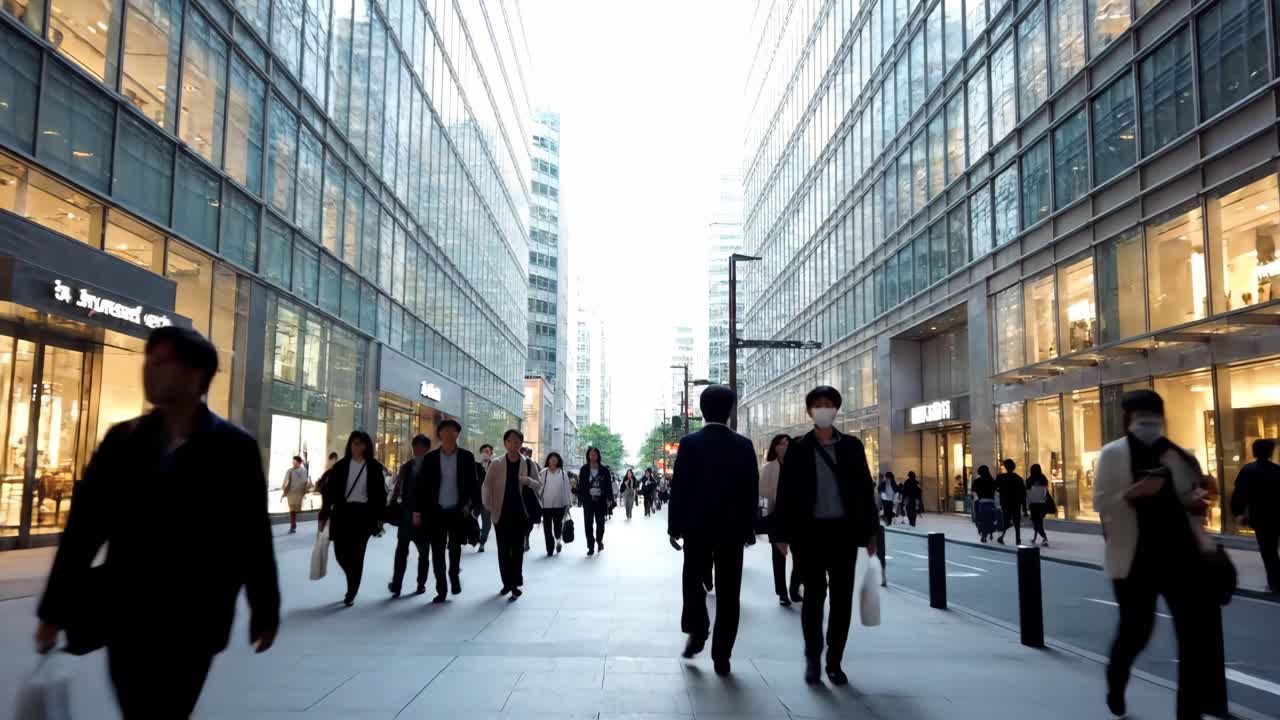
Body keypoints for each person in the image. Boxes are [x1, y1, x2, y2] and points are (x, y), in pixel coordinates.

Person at [34, 326, 279, 718]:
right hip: (127, 615)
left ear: (196, 375)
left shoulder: (234, 449)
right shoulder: (124, 441)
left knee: (168, 709)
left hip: (195, 619)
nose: (149, 370)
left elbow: (251, 535)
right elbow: (84, 530)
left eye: (162, 362)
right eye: (148, 360)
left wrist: (265, 609)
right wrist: (52, 611)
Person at [1094, 389, 1228, 720]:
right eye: (1142, 418)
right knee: (1136, 631)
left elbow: (1193, 496)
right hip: (1134, 559)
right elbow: (1101, 503)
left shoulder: (1178, 455)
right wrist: (1132, 493)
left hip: (1182, 558)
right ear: (1128, 421)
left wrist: (1197, 499)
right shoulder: (1113, 454)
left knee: (1195, 638)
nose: (1149, 424)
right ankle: (1117, 679)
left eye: (1154, 418)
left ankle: (1189, 713)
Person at [773, 386, 879, 686]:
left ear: (836, 409)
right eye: (818, 404)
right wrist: (781, 534)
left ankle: (834, 660)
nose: (823, 409)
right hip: (809, 534)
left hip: (844, 533)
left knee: (842, 600)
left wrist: (871, 532)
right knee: (814, 598)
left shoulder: (852, 447)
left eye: (829, 404)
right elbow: (786, 493)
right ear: (809, 411)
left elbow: (863, 491)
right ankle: (812, 657)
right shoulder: (799, 447)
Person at [667, 384, 758, 676]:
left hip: (697, 527)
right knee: (730, 592)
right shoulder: (744, 445)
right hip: (731, 529)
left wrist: (674, 526)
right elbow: (750, 492)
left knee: (692, 582)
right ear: (730, 410)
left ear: (703, 411)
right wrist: (748, 528)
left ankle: (698, 628)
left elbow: (678, 487)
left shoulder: (690, 443)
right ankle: (722, 654)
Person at [413, 419, 479, 602]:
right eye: (445, 430)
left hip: (457, 511)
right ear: (440, 434)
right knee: (437, 550)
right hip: (436, 511)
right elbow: (422, 487)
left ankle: (454, 575)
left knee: (455, 547)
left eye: (453, 430)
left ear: (457, 434)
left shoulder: (466, 457)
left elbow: (473, 485)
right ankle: (441, 588)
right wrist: (418, 511)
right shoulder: (431, 458)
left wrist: (469, 505)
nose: (449, 434)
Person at [320, 430, 387, 606]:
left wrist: (380, 518)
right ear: (350, 445)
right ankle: (352, 578)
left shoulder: (374, 466)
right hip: (342, 513)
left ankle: (352, 589)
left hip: (363, 515)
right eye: (354, 443)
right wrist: (324, 514)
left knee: (357, 555)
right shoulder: (341, 466)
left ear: (366, 446)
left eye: (361, 443)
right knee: (340, 553)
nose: (357, 446)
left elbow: (380, 495)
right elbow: (330, 493)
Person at [482, 429, 542, 597]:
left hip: (521, 513)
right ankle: (506, 583)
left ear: (521, 444)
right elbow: (486, 485)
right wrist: (487, 503)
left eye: (517, 441)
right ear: (505, 443)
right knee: (503, 550)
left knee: (517, 550)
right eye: (510, 441)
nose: (513, 444)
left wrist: (528, 481)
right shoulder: (496, 463)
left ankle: (515, 583)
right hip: (500, 512)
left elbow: (538, 485)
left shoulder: (528, 463)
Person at [1231, 439, 1280, 593]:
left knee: (1268, 550)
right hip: (1277, 515)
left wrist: (1238, 512)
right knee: (1272, 548)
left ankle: (1275, 583)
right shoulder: (1277, 470)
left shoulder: (1248, 470)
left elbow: (1239, 494)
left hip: (1260, 517)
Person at [760, 433, 802, 606]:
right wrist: (764, 518)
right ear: (774, 447)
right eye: (780, 444)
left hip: (797, 518)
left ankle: (794, 587)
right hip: (777, 518)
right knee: (778, 558)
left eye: (787, 443)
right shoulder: (768, 468)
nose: (784, 446)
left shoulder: (799, 466)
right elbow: (762, 496)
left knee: (800, 557)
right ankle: (782, 592)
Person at [389, 435, 431, 597]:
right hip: (407, 517)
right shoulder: (407, 466)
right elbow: (398, 487)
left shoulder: (432, 467)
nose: (418, 450)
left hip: (423, 517)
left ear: (427, 449)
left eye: (421, 447)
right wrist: (392, 504)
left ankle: (421, 583)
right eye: (416, 447)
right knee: (402, 552)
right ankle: (397, 585)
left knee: (423, 553)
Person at [577, 447, 615, 555]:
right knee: (588, 523)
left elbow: (608, 486)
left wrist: (610, 499)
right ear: (588, 456)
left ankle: (599, 540)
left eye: (595, 454)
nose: (593, 456)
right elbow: (581, 485)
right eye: (591, 454)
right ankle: (590, 546)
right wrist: (581, 498)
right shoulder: (584, 469)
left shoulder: (604, 470)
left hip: (601, 500)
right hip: (588, 501)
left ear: (598, 456)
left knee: (600, 523)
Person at [539, 452, 572, 556]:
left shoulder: (563, 473)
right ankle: (549, 548)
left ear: (558, 461)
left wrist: (568, 504)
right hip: (546, 505)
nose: (553, 461)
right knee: (547, 528)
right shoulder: (543, 473)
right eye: (551, 459)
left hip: (559, 505)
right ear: (548, 460)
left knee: (558, 527)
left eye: (555, 459)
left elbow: (567, 489)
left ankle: (558, 541)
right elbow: (540, 487)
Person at [995, 459, 1026, 545]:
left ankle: (1002, 537)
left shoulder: (1001, 477)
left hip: (1005, 502)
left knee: (1006, 520)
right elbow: (1023, 494)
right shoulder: (1018, 478)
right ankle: (1018, 539)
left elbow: (996, 487)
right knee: (1017, 521)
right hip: (1016, 502)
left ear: (1005, 467)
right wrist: (1024, 508)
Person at [474, 444, 495, 552]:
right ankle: (476, 535)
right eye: (483, 451)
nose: (485, 453)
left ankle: (482, 542)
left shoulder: (495, 466)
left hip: (488, 499)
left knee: (486, 522)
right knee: (472, 518)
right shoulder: (475, 465)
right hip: (476, 499)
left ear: (491, 454)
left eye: (487, 451)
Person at [282, 455, 310, 533]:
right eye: (293, 462)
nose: (293, 463)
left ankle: (293, 526)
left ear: (299, 463)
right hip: (291, 493)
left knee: (294, 510)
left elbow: (305, 482)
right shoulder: (290, 471)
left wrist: (305, 490)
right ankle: (293, 526)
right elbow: (286, 481)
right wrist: (284, 490)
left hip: (298, 493)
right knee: (292, 510)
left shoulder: (304, 471)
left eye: (295, 462)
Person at [1026, 464, 1052, 546]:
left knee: (1036, 523)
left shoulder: (1029, 480)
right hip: (1041, 504)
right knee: (1038, 522)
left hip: (1034, 504)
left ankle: (1044, 538)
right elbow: (1045, 492)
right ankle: (1035, 538)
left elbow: (1027, 492)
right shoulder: (1043, 479)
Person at [971, 465, 998, 542]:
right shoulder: (992, 481)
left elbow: (973, 493)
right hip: (991, 502)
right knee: (991, 518)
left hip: (981, 502)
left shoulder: (977, 481)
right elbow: (996, 491)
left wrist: (976, 499)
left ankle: (983, 533)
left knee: (979, 519)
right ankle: (990, 533)